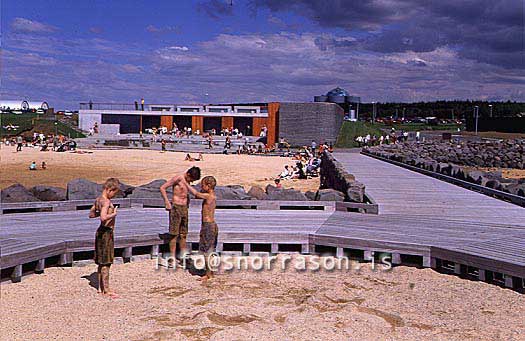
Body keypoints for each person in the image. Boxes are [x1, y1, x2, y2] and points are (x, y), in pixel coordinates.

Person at [160, 166, 201, 265]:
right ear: (188, 174)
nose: (191, 182)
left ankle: (183, 257)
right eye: (191, 179)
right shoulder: (178, 178)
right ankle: (172, 257)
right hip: (176, 207)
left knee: (183, 234)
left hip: (184, 208)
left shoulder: (188, 182)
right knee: (174, 234)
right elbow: (163, 188)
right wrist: (167, 202)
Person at [184, 176, 218, 282]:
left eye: (202, 185)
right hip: (210, 225)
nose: (201, 187)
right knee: (209, 250)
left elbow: (197, 194)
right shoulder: (211, 196)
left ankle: (208, 274)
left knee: (206, 251)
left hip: (208, 226)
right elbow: (198, 196)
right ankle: (210, 272)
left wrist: (186, 185)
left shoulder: (209, 196)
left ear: (208, 186)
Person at [89, 178, 120, 297]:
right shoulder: (106, 202)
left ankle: (100, 288)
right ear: (109, 190)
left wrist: (101, 212)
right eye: (114, 193)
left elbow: (91, 214)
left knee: (101, 261)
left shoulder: (98, 200)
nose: (113, 196)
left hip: (100, 232)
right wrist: (113, 214)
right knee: (106, 262)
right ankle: (106, 290)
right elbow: (103, 218)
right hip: (107, 232)